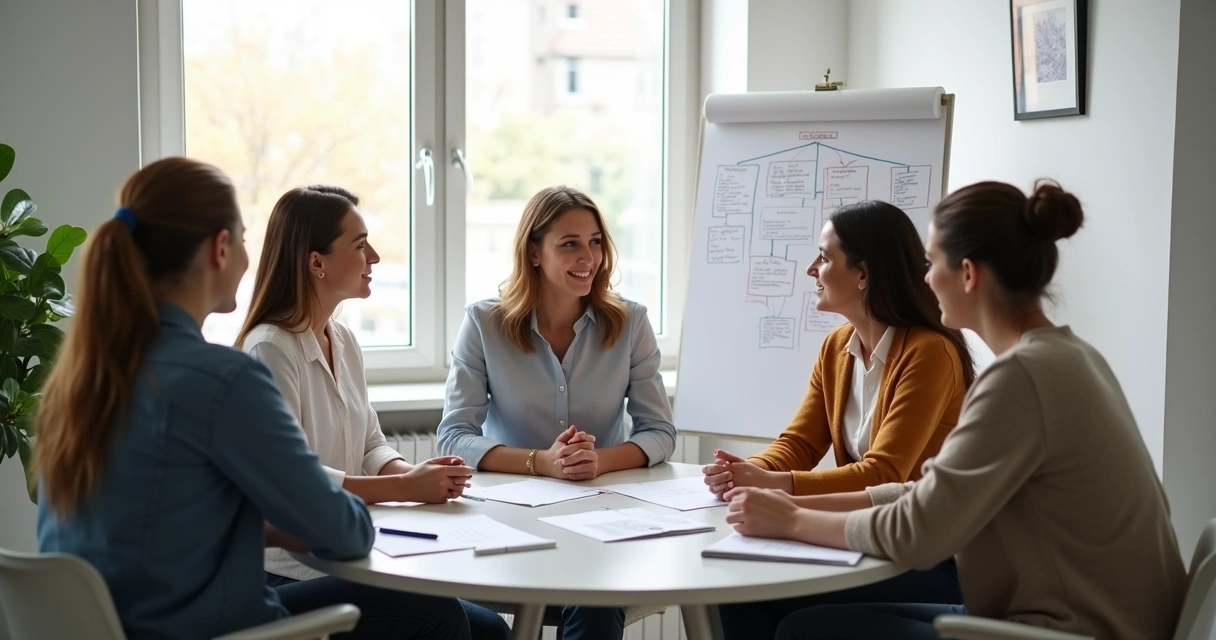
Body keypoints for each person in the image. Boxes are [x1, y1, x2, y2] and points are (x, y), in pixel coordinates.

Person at [723, 180, 1187, 640]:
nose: (924, 277)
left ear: (968, 274)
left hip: (1070, 630)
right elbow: (926, 494)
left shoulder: (1020, 379)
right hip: (1088, 618)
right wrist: (789, 501)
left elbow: (919, 530)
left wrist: (793, 518)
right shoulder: (1066, 357)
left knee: (806, 630)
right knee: (793, 618)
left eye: (932, 262)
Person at [35, 158, 472, 639]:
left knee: (479, 624)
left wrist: (246, 517)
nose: (249, 258)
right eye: (243, 239)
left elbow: (149, 525)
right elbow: (346, 532)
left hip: (129, 623)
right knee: (441, 614)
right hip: (208, 627)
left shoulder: (80, 380)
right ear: (220, 249)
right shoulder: (223, 380)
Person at [236, 184, 510, 640]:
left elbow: (370, 444)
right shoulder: (269, 348)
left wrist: (416, 473)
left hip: (350, 558)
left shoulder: (342, 340)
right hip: (290, 572)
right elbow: (292, 482)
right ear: (316, 261)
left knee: (491, 630)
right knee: (441, 616)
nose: (375, 257)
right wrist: (402, 486)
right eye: (360, 245)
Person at [706, 201, 974, 637]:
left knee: (751, 591)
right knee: (742, 586)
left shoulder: (930, 353)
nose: (812, 268)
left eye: (825, 257)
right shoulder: (837, 347)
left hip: (930, 552)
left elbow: (885, 472)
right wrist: (752, 471)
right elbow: (800, 444)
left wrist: (780, 487)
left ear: (864, 275)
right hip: (869, 533)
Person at [437, 185, 677, 640]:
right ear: (533, 252)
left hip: (604, 517)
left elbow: (660, 431)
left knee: (595, 597)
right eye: (569, 244)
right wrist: (540, 462)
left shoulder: (631, 323)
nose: (588, 256)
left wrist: (598, 460)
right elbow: (453, 438)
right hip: (510, 519)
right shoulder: (484, 324)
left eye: (595, 242)